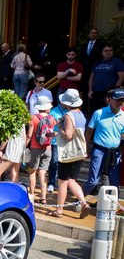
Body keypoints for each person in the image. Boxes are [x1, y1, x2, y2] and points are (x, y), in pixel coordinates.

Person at [50, 89, 90, 218]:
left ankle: (59, 210)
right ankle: (83, 203)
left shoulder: (68, 115)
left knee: (62, 181)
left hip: (68, 153)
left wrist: (59, 127)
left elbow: (68, 135)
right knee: (72, 180)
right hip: (78, 152)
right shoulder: (81, 115)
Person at [83, 88, 124, 196]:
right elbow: (88, 132)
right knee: (93, 181)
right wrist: (86, 148)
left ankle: (110, 207)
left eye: (122, 100)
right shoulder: (99, 113)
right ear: (110, 99)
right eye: (117, 100)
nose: (120, 102)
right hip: (99, 150)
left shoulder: (123, 116)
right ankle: (79, 200)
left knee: (114, 183)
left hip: (115, 152)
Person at [26, 95, 57, 205]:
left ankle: (32, 196)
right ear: (47, 107)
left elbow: (29, 135)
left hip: (35, 148)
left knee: (32, 172)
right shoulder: (52, 119)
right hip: (48, 148)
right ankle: (43, 198)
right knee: (43, 173)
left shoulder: (33, 118)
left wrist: (25, 146)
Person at [88, 44, 124, 117]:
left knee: (109, 112)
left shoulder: (117, 62)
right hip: (96, 92)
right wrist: (90, 90)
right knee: (94, 112)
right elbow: (92, 77)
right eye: (106, 51)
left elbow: (121, 76)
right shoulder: (97, 62)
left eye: (110, 50)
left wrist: (115, 89)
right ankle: (93, 127)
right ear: (102, 52)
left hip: (109, 93)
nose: (108, 52)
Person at [78, 28, 103, 112]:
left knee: (93, 93)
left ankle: (93, 112)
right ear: (89, 35)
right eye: (92, 33)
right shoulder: (84, 45)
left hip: (95, 72)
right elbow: (81, 58)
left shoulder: (101, 45)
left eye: (95, 33)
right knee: (84, 93)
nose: (93, 34)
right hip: (85, 73)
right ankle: (84, 111)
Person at [46, 98, 67, 192]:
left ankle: (61, 183)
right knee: (54, 162)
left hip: (66, 140)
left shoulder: (69, 111)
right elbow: (48, 127)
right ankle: (51, 182)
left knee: (63, 162)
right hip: (55, 140)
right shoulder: (53, 111)